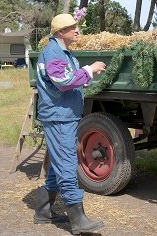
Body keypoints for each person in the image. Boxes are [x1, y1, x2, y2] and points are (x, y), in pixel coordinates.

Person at [34, 13, 106, 235]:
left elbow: (68, 77)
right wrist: (89, 70)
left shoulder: (63, 52)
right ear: (59, 32)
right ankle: (78, 220)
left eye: (76, 26)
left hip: (64, 114)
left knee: (58, 162)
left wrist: (83, 75)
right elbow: (65, 81)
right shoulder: (54, 52)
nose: (77, 30)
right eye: (71, 27)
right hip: (59, 116)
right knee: (66, 163)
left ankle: (44, 211)